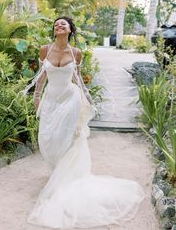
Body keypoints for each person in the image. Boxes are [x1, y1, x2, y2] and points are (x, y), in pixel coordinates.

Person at [23, 16, 145, 229]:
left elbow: (77, 79)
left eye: (63, 24)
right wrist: (36, 100)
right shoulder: (45, 50)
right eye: (56, 24)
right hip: (51, 100)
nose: (58, 26)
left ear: (70, 29)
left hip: (70, 99)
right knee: (47, 139)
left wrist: (87, 100)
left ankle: (65, 178)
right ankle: (55, 173)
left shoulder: (75, 53)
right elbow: (41, 78)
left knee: (66, 137)